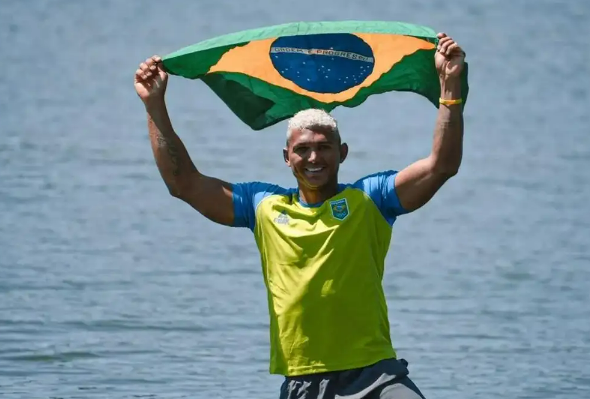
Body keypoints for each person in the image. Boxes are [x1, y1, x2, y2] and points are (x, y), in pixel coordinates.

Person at [134, 32, 465, 399]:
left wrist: (450, 89)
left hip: (375, 375)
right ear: (286, 157)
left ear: (342, 153)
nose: (313, 158)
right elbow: (184, 184)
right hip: (304, 381)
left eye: (323, 148)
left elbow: (441, 166)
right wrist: (154, 105)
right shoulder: (263, 206)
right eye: (302, 150)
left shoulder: (371, 199)